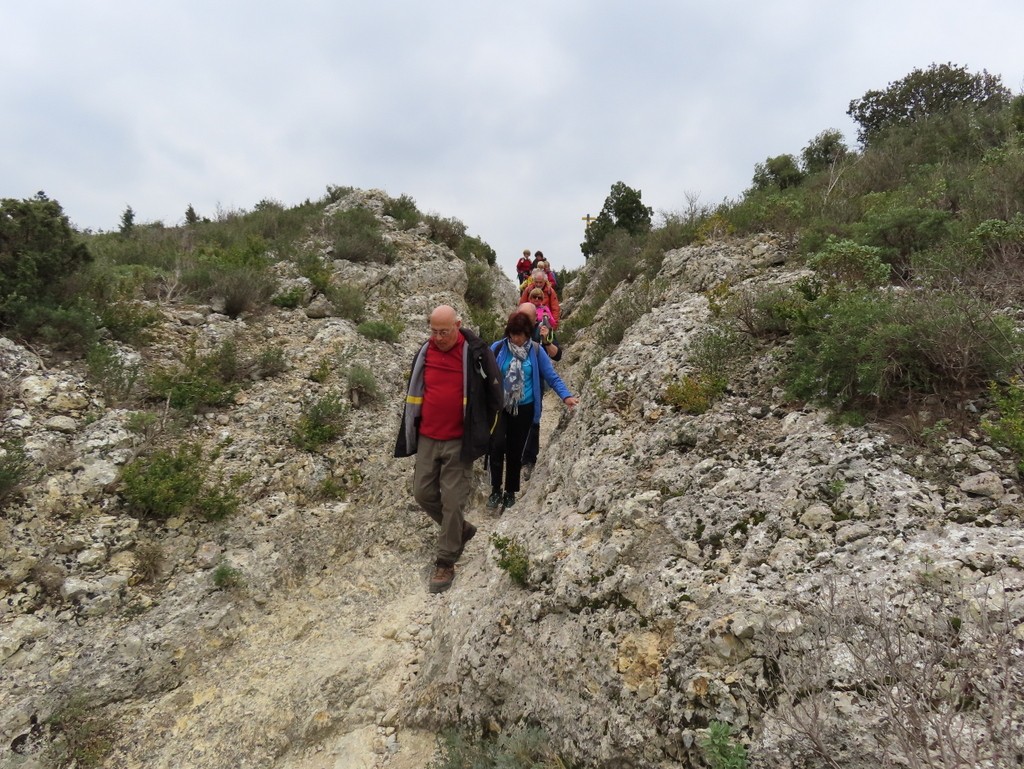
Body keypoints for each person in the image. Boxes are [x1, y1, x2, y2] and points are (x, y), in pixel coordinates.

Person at [395, 304, 503, 593]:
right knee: (422, 493)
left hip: (459, 439)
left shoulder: (476, 353)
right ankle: (460, 530)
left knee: (453, 501)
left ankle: (446, 560)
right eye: (433, 331)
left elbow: (495, 393)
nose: (438, 337)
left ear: (458, 324)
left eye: (444, 331)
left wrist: (486, 433)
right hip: (428, 437)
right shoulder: (425, 352)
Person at [487, 311, 577, 511]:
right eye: (513, 334)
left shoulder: (536, 351)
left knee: (515, 450)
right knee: (496, 445)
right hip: (500, 407)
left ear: (528, 333)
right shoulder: (498, 348)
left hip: (525, 408)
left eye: (520, 334)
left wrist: (566, 396)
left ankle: (510, 492)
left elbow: (552, 377)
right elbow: (484, 373)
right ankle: (495, 490)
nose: (516, 339)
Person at [515, 302, 562, 477]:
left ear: (535, 318)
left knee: (533, 419)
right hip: (512, 383)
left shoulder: (543, 329)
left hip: (534, 382)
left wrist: (546, 341)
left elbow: (557, 355)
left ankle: (528, 460)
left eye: (527, 317)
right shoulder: (513, 329)